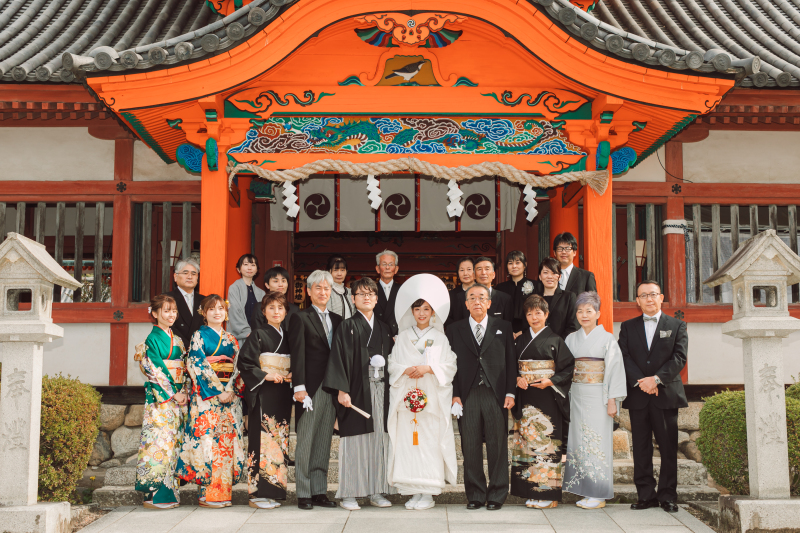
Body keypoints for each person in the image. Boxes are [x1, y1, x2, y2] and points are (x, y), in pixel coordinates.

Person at [323, 277, 396, 510]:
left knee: (379, 440)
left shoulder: (384, 328)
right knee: (354, 442)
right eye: (361, 294)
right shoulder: (347, 326)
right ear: (353, 299)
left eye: (371, 294)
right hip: (355, 390)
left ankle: (376, 490)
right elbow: (338, 358)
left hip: (382, 389)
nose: (367, 297)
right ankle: (350, 493)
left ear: (376, 298)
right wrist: (342, 390)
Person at [387, 274, 458, 511]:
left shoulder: (440, 338)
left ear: (433, 313)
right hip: (407, 402)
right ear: (411, 312)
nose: (421, 313)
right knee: (408, 443)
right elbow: (392, 365)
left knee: (428, 443)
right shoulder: (403, 337)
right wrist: (407, 369)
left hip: (431, 402)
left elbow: (450, 366)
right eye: (417, 309)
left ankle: (428, 491)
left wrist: (428, 368)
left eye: (426, 309)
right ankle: (413, 489)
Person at [619, 280, 688, 514]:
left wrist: (656, 379)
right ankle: (645, 495)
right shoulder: (628, 327)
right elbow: (624, 357)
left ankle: (668, 495)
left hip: (665, 395)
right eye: (644, 295)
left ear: (662, 297)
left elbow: (679, 358)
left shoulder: (677, 325)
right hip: (639, 395)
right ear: (637, 301)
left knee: (668, 447)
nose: (649, 299)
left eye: (653, 294)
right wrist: (642, 381)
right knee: (640, 448)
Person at [447, 283, 516, 511]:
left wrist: (510, 392)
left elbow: (510, 361)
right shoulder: (455, 329)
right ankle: (475, 493)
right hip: (467, 394)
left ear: (489, 303)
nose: (477, 301)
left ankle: (497, 493)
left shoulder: (503, 327)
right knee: (470, 445)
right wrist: (455, 394)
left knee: (498, 444)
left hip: (495, 393)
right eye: (472, 298)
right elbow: (451, 365)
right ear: (466, 304)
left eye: (481, 298)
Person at [176, 295, 245, 508]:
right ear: (204, 313)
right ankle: (206, 494)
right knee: (207, 443)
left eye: (221, 309)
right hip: (208, 399)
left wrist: (231, 389)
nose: (217, 312)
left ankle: (223, 493)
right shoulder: (199, 335)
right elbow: (196, 363)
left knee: (226, 443)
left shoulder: (232, 339)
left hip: (229, 398)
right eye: (212, 309)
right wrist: (218, 391)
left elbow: (238, 367)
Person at [563, 292, 627, 509]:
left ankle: (598, 494)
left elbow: (615, 370)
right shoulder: (571, 339)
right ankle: (584, 490)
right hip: (577, 395)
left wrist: (612, 400)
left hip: (598, 395)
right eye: (580, 311)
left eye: (589, 311)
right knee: (579, 442)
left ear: (598, 313)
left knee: (596, 442)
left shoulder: (607, 339)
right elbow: (565, 369)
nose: (584, 315)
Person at [511, 294, 574, 509]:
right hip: (526, 398)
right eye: (529, 313)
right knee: (527, 445)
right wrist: (517, 378)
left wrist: (551, 380)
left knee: (546, 445)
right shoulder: (519, 339)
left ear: (546, 315)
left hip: (547, 398)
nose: (534, 317)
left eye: (538, 313)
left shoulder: (556, 340)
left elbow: (567, 368)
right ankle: (530, 491)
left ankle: (548, 496)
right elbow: (511, 365)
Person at [288, 270, 342, 510]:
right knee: (306, 439)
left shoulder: (338, 320)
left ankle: (320, 490)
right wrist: (299, 386)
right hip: (309, 388)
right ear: (309, 291)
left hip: (332, 386)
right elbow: (297, 353)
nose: (323, 292)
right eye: (318, 288)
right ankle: (304, 492)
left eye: (327, 288)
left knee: (323, 440)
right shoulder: (300, 318)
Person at [236, 292, 294, 509]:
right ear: (264, 312)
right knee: (261, 442)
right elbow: (245, 363)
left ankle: (274, 491)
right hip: (263, 392)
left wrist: (293, 374)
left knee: (278, 441)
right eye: (271, 308)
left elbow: (296, 360)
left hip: (282, 394)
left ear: (286, 312)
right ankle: (257, 494)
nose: (276, 312)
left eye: (280, 308)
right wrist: (265, 375)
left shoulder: (288, 336)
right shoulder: (258, 334)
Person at [134, 294, 188, 510]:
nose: (171, 315)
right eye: (166, 311)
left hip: (177, 397)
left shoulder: (179, 339)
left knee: (173, 443)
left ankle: (170, 492)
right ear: (155, 314)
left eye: (173, 311)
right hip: (161, 397)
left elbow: (183, 367)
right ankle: (153, 494)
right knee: (158, 443)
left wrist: (183, 390)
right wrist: (174, 392)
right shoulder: (152, 339)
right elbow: (153, 369)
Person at [534, 258, 579, 340]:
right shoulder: (533, 298)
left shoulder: (569, 297)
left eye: (554, 273)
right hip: (538, 345)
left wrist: (557, 343)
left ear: (559, 277)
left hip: (562, 346)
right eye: (545, 272)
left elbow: (573, 326)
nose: (550, 276)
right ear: (540, 276)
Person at [165, 258, 206, 348]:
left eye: (193, 274)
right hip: (175, 349)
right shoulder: (166, 299)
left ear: (197, 278)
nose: (190, 277)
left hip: (201, 350)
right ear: (175, 277)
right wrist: (189, 347)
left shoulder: (205, 301)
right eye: (185, 273)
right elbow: (168, 327)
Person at [228, 254, 266, 344]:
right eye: (245, 264)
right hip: (242, 336)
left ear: (256, 270)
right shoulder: (234, 288)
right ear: (238, 269)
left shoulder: (262, 293)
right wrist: (247, 332)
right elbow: (234, 312)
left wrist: (260, 333)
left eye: (253, 265)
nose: (249, 268)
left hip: (258, 336)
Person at [496, 251, 536, 334]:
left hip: (529, 330)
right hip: (505, 331)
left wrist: (523, 331)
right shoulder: (500, 288)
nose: (514, 266)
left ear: (525, 265)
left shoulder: (535, 285)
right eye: (510, 263)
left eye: (518, 263)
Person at [250, 267, 300, 331]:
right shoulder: (260, 308)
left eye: (283, 281)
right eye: (276, 281)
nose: (280, 284)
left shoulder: (295, 309)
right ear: (267, 285)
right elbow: (257, 334)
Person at [473, 257, 513, 323]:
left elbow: (507, 327)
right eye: (479, 269)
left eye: (487, 269)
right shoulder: (464, 298)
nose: (483, 272)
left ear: (493, 275)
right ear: (474, 275)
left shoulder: (505, 299)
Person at [374, 249, 402, 336]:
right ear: (378, 269)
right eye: (384, 264)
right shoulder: (371, 290)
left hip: (397, 337)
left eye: (391, 264)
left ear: (396, 269)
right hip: (377, 337)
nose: (387, 267)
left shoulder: (403, 290)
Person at [445, 257, 474, 328]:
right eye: (461, 270)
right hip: (457, 334)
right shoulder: (451, 295)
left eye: (469, 269)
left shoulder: (483, 292)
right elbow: (447, 318)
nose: (465, 273)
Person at [327, 255, 355, 320]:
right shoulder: (327, 292)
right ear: (329, 271)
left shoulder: (351, 292)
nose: (339, 274)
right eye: (335, 270)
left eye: (342, 270)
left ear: (346, 272)